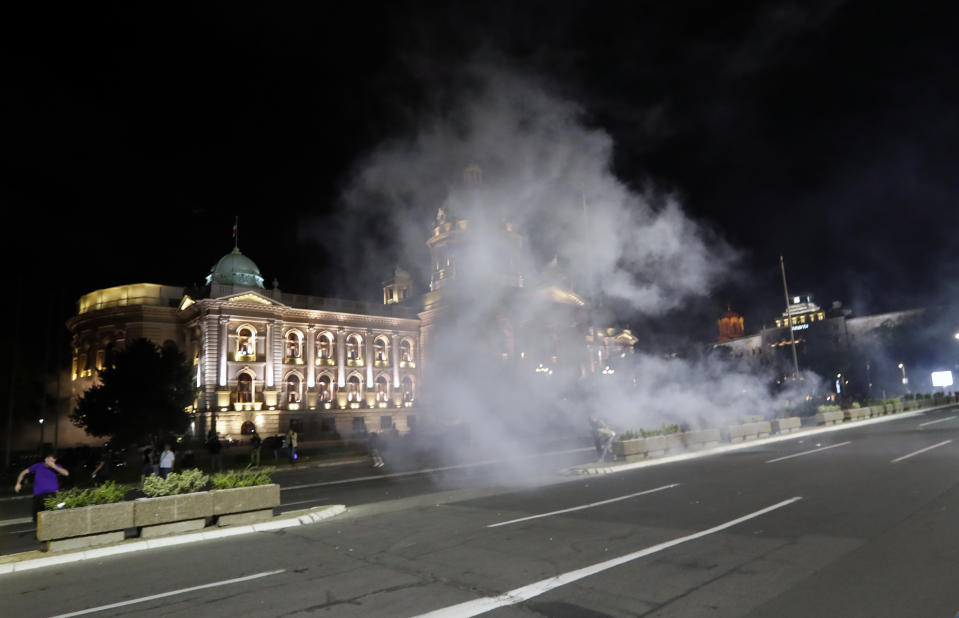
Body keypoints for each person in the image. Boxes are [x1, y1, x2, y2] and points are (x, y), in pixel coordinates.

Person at [15, 454, 70, 522]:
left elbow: (66, 473)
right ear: (45, 459)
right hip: (38, 494)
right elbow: (23, 472)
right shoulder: (38, 465)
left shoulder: (57, 467)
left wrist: (54, 466)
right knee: (36, 518)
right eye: (50, 460)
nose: (51, 462)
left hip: (52, 494)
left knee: (52, 516)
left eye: (53, 461)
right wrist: (18, 483)